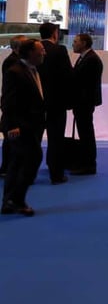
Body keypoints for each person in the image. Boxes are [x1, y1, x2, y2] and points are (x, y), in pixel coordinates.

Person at [1, 39, 46, 216]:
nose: (44, 53)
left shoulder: (32, 70)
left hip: (30, 124)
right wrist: (13, 125)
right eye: (41, 50)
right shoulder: (15, 72)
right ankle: (16, 200)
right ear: (30, 53)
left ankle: (9, 201)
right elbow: (7, 101)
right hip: (20, 126)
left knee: (17, 162)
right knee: (32, 158)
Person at [37, 22, 73, 184]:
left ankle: (28, 174)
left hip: (36, 101)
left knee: (33, 138)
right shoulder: (60, 50)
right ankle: (56, 174)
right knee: (56, 139)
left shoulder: (32, 48)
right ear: (55, 33)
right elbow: (67, 76)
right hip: (56, 102)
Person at [70, 33, 103, 175]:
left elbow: (83, 82)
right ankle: (85, 162)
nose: (73, 44)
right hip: (82, 102)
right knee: (84, 132)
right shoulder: (85, 58)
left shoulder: (91, 59)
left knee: (86, 133)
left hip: (84, 102)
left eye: (75, 41)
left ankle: (89, 164)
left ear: (83, 43)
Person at [1, 35, 26, 177]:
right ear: (17, 47)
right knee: (11, 141)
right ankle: (7, 169)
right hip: (13, 110)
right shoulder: (13, 62)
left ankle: (7, 168)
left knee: (11, 141)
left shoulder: (15, 60)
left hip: (13, 109)